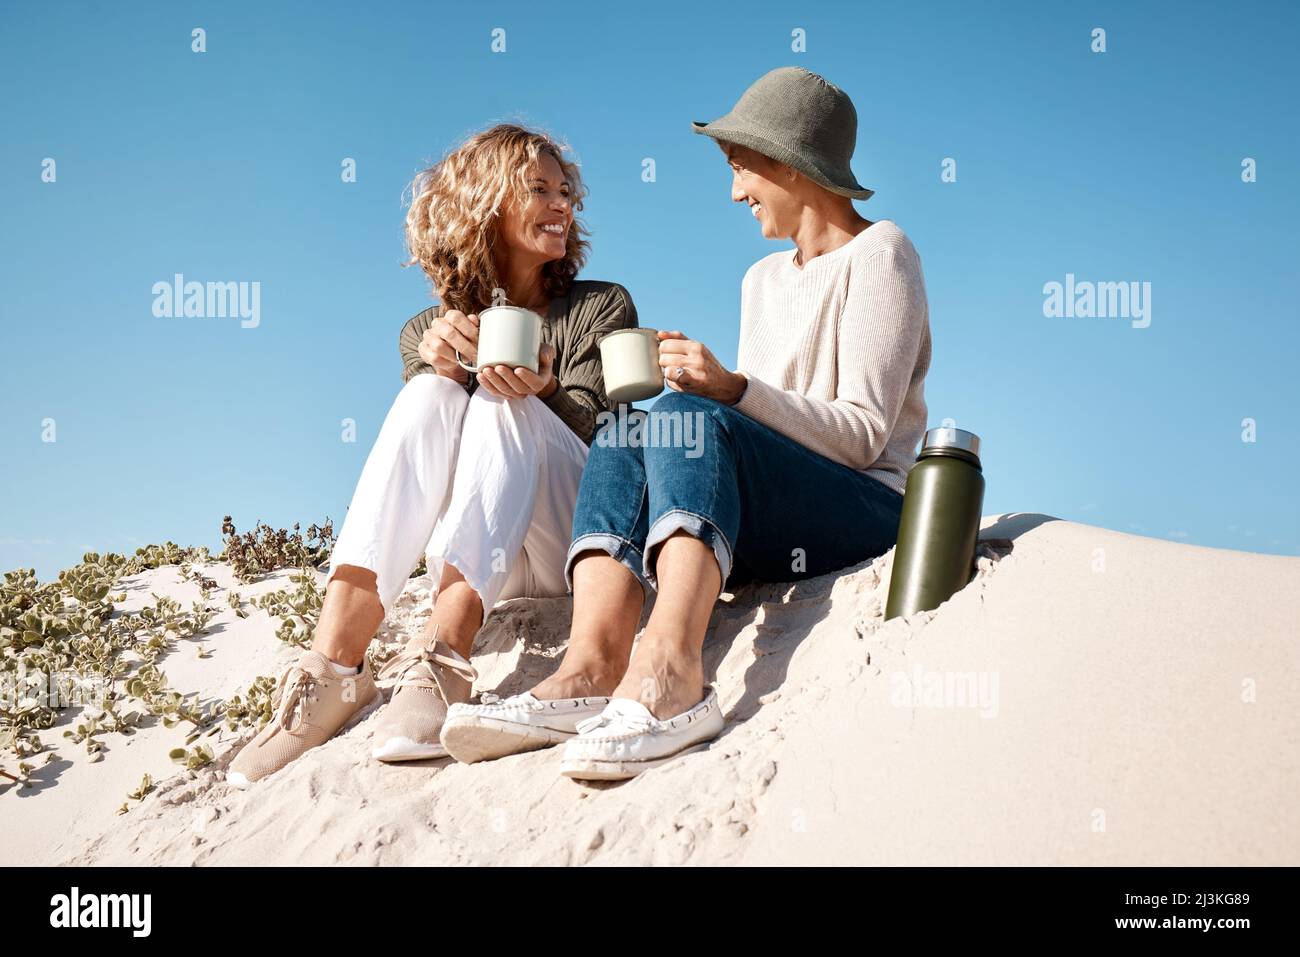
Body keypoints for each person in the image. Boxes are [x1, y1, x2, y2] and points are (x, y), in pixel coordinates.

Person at [441, 67, 932, 781]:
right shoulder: (760, 281)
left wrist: (730, 389)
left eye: (743, 169)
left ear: (792, 163)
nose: (736, 191)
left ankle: (672, 669)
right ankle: (591, 667)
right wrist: (720, 395)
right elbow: (753, 427)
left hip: (866, 508)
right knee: (629, 426)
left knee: (689, 417)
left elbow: (859, 435)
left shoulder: (883, 253)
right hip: (774, 514)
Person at [227, 124, 637, 788]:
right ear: (485, 203)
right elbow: (428, 468)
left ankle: (445, 655)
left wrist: (547, 388)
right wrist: (440, 365)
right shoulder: (427, 327)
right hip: (485, 554)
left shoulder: (599, 305)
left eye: (567, 192)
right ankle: (333, 668)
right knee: (428, 398)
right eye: (539, 189)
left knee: (507, 402)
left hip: (572, 536)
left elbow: (608, 435)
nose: (562, 205)